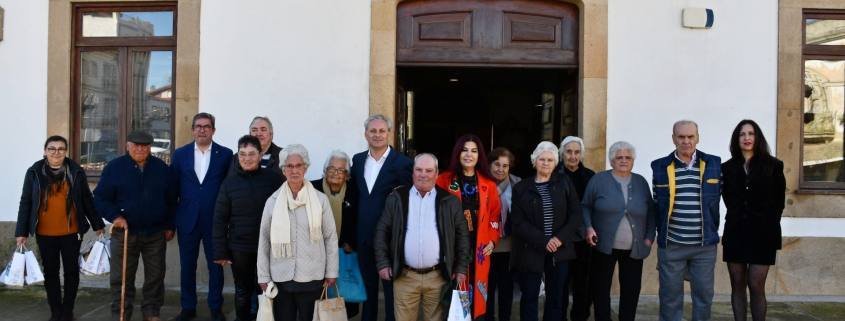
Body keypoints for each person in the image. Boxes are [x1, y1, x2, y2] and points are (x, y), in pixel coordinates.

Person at [15, 135, 105, 321]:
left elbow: (86, 200)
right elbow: (26, 202)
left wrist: (97, 225)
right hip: (44, 233)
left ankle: (67, 310)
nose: (56, 152)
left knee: (71, 271)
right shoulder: (33, 172)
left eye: (61, 149)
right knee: (51, 272)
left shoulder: (75, 171)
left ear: (66, 152)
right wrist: (21, 232)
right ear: (45, 151)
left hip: (71, 232)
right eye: (52, 148)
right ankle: (56, 310)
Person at [374, 153, 471, 321]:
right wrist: (383, 263)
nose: (423, 174)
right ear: (412, 172)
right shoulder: (397, 198)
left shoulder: (449, 201)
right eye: (419, 169)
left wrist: (461, 267)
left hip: (438, 278)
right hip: (404, 277)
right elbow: (382, 231)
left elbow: (462, 237)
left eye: (428, 170)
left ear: (436, 173)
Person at [94, 130, 177, 321]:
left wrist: (170, 225)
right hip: (125, 233)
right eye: (136, 145)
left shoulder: (161, 168)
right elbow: (100, 198)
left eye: (145, 146)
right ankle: (121, 313)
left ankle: (151, 312)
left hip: (155, 232)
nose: (140, 149)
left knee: (155, 276)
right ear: (127, 146)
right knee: (121, 278)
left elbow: (172, 200)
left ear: (150, 148)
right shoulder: (114, 168)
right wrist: (115, 216)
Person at [257, 144, 339, 321]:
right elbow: (264, 240)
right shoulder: (272, 201)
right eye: (289, 166)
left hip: (312, 276)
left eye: (298, 165)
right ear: (283, 170)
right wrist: (263, 275)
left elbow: (330, 237)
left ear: (306, 168)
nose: (294, 170)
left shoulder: (320, 200)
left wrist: (331, 271)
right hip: (281, 276)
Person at [651, 120, 721, 321]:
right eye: (681, 137)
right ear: (673, 139)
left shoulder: (714, 164)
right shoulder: (659, 166)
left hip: (704, 246)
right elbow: (657, 203)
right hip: (672, 245)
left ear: (697, 138)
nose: (686, 141)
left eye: (690, 137)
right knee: (670, 298)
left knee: (704, 297)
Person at [582, 141, 655, 321]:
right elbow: (585, 206)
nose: (623, 160)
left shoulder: (640, 181)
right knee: (600, 289)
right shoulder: (599, 180)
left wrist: (648, 239)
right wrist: (589, 228)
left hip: (635, 248)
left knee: (631, 290)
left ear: (633, 161)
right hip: (603, 246)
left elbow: (651, 213)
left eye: (628, 157)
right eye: (619, 157)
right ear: (612, 160)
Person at [212, 135, 283, 321]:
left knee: (268, 290)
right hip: (240, 248)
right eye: (242, 154)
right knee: (242, 291)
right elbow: (219, 219)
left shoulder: (274, 179)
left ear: (260, 155)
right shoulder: (229, 183)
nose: (247, 158)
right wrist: (220, 251)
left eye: (252, 154)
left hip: (269, 247)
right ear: (237, 156)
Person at [170, 113, 232, 321]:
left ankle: (216, 307)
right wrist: (171, 221)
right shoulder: (180, 154)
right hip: (187, 219)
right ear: (193, 130)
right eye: (198, 126)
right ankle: (188, 307)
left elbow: (228, 189)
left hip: (215, 221)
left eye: (206, 126)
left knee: (216, 266)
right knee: (188, 265)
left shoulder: (225, 154)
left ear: (213, 130)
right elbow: (172, 190)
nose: (202, 130)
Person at [350, 114, 413, 321]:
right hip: (364, 235)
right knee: (368, 290)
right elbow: (355, 197)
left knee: (391, 290)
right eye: (372, 131)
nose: (377, 135)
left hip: (391, 237)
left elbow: (408, 203)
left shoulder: (404, 163)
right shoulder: (358, 160)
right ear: (365, 134)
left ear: (389, 133)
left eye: (381, 131)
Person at [510, 141, 582, 321]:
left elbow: (576, 214)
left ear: (556, 162)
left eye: (550, 160)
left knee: (556, 298)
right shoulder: (521, 187)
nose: (546, 163)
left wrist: (559, 239)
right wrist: (544, 241)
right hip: (531, 250)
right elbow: (518, 222)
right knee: (529, 297)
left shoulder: (564, 182)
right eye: (542, 159)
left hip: (560, 250)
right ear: (535, 161)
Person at [721, 120, 785, 321]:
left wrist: (768, 227)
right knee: (737, 285)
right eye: (742, 134)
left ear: (757, 137)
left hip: (763, 235)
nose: (747, 138)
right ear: (736, 139)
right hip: (735, 233)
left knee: (756, 285)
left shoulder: (773, 165)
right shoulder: (727, 168)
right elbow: (728, 199)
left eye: (751, 133)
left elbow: (779, 203)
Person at [435, 134, 501, 320]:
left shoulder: (488, 184)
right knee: (456, 293)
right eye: (464, 150)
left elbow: (495, 216)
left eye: (474, 151)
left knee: (477, 297)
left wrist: (492, 240)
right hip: (453, 247)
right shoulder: (444, 180)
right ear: (458, 153)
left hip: (479, 247)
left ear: (480, 155)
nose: (469, 155)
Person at [311, 150, 359, 318]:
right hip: (317, 253)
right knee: (319, 296)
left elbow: (360, 220)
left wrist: (351, 242)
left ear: (347, 175)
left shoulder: (355, 192)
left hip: (345, 253)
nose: (336, 173)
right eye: (332, 168)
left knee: (344, 297)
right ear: (324, 170)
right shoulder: (311, 189)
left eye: (341, 170)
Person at [557, 136, 596, 321]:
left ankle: (580, 316)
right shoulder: (554, 173)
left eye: (577, 152)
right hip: (559, 238)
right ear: (562, 153)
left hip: (582, 238)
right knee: (560, 283)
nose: (573, 156)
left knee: (583, 283)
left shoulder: (590, 176)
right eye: (569, 152)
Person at [485, 147, 521, 321]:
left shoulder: (518, 184)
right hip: (486, 247)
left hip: (509, 246)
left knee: (506, 288)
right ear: (490, 164)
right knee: (486, 289)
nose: (500, 169)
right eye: (497, 164)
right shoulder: (481, 183)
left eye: (505, 166)